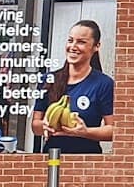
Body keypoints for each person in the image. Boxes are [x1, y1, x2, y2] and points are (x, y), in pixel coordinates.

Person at [31, 19, 114, 154]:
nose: (73, 46)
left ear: (96, 46)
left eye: (81, 42)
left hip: (87, 160)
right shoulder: (48, 80)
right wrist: (46, 126)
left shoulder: (104, 84)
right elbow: (35, 126)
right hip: (52, 156)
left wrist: (85, 132)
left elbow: (113, 130)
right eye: (70, 40)